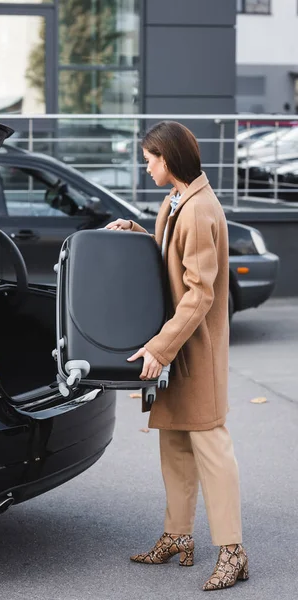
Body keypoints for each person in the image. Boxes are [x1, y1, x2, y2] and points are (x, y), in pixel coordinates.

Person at [106, 121, 248, 591]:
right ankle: (178, 536)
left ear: (169, 159)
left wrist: (159, 349)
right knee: (176, 446)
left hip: (193, 351)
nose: (146, 167)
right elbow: (172, 256)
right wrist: (136, 231)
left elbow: (200, 293)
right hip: (180, 349)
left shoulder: (198, 210)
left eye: (150, 159)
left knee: (210, 448)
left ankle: (233, 552)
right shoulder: (178, 201)